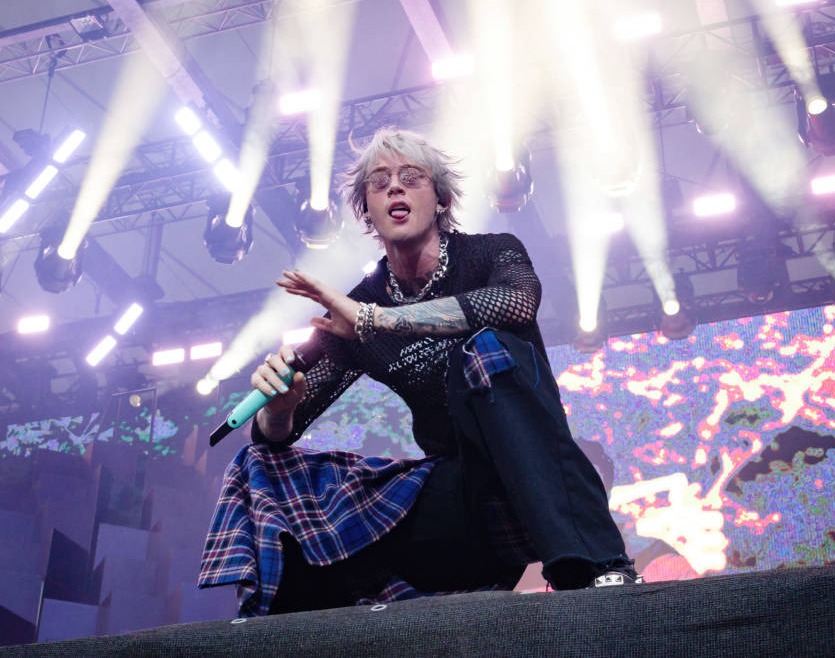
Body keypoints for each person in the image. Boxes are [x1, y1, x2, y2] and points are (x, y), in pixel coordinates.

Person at [199, 127, 639, 617]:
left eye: (411, 177)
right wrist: (279, 409)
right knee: (261, 467)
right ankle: (290, 631)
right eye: (379, 181)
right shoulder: (359, 305)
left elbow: (516, 302)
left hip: (540, 481)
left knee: (483, 350)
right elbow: (275, 436)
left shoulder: (489, 253)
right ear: (367, 209)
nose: (394, 187)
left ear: (441, 199)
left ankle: (598, 567)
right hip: (465, 506)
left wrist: (377, 321)